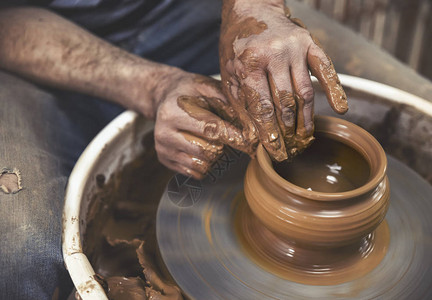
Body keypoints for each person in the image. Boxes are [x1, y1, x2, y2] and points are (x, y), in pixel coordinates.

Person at [0, 0, 347, 298]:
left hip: (191, 13)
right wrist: (153, 86)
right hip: (36, 33)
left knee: (345, 80)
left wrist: (256, 10)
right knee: (21, 254)